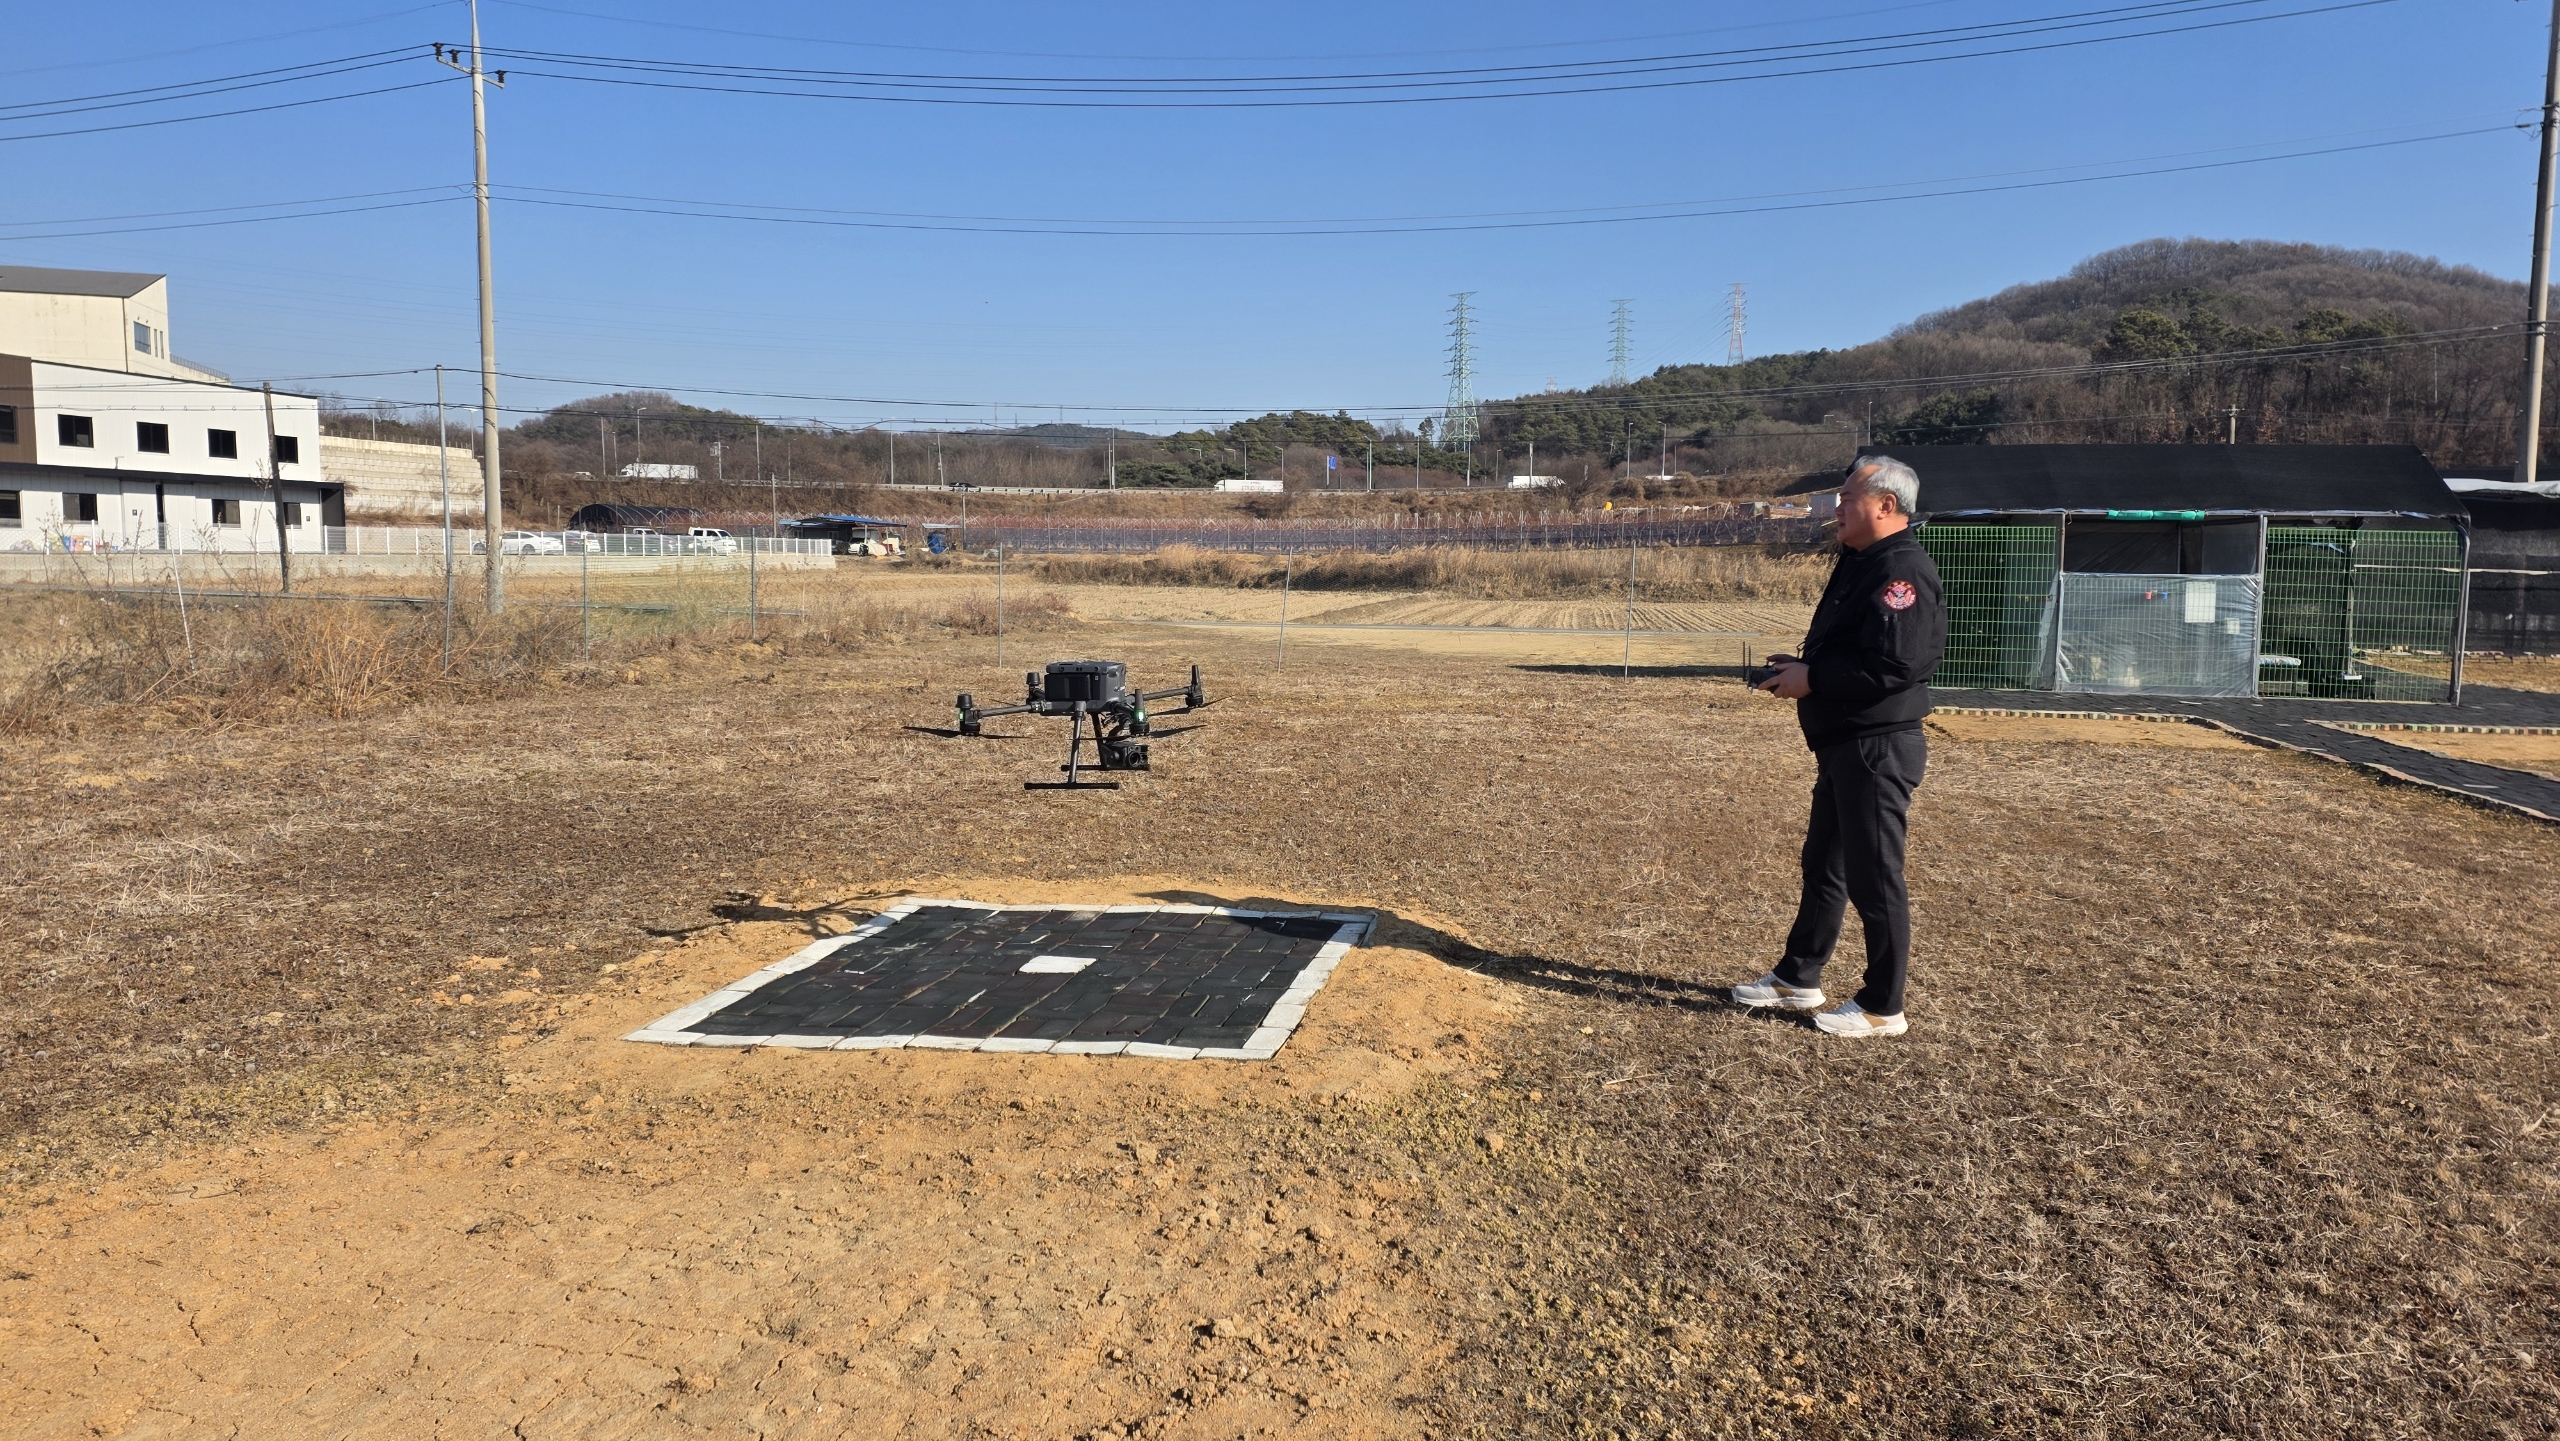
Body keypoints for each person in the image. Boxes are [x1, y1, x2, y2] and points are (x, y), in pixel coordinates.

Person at [1733, 455, 1945, 1037]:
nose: (1837, 508)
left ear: (1886, 505)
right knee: (1824, 864)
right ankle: (1798, 977)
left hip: (1877, 747)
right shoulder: (1862, 561)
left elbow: (1897, 666)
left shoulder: (1901, 571)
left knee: (1875, 877)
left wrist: (1815, 679)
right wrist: (1804, 668)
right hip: (1845, 744)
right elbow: (1857, 650)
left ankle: (1882, 1006)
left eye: (1848, 498)